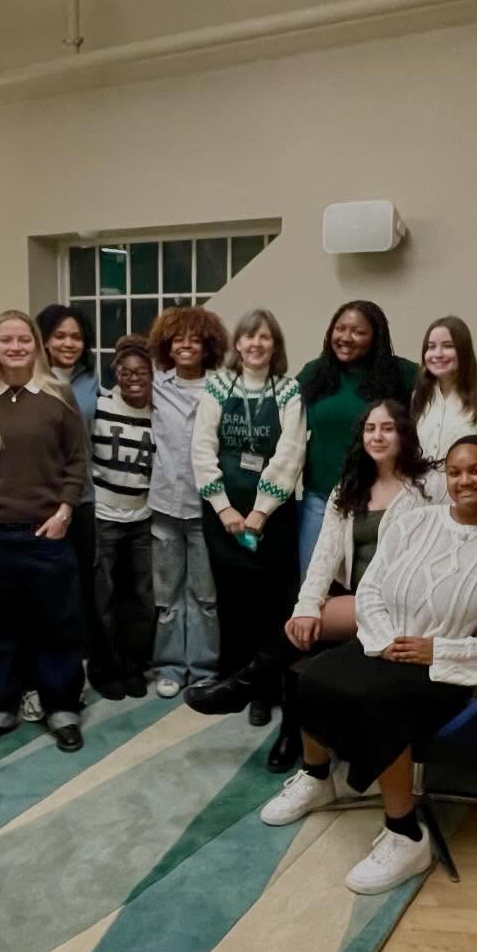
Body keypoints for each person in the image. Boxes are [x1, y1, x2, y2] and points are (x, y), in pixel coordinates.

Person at [257, 435, 477, 895]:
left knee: (381, 702)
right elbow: (372, 587)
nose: (463, 481)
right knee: (309, 673)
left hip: (455, 668)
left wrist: (438, 651)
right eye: (454, 472)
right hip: (389, 646)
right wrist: (383, 642)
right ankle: (319, 778)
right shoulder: (415, 522)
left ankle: (405, 834)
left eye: (476, 470)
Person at [185, 400, 442, 768]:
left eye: (387, 428)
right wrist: (306, 607)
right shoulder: (349, 488)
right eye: (370, 428)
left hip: (403, 601)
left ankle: (243, 686)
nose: (378, 436)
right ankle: (291, 733)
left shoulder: (430, 485)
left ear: (404, 433)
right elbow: (324, 556)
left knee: (311, 624)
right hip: (354, 594)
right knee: (300, 632)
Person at [0, 310, 88, 751]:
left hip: (47, 532)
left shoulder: (58, 395)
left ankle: (62, 705)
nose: (15, 348)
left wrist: (65, 510)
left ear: (36, 345)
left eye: (23, 340)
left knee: (58, 624)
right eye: (5, 341)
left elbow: (75, 461)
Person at [186, 308, 306, 724]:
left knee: (271, 602)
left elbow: (291, 454)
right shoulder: (217, 387)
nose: (256, 344)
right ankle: (229, 680)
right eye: (249, 337)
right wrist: (224, 509)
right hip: (223, 517)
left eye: (265, 337)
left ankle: (263, 687)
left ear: (276, 345)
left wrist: (259, 511)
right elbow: (202, 449)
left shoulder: (289, 392)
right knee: (231, 600)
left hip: (271, 518)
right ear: (237, 344)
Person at [296, 301, 416, 574]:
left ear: (376, 337)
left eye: (358, 332)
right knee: (313, 586)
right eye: (340, 329)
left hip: (378, 501)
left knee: (375, 588)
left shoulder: (403, 375)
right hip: (321, 495)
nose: (345, 338)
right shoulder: (313, 373)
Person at [146, 307, 228, 699]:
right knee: (166, 596)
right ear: (167, 344)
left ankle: (204, 666)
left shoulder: (223, 389)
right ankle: (169, 666)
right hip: (163, 506)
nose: (186, 345)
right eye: (179, 338)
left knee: (205, 596)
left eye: (195, 339)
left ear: (208, 345)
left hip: (206, 509)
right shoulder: (156, 385)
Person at [30, 304, 99, 715]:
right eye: (60, 336)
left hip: (84, 501)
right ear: (44, 340)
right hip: (36, 503)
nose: (69, 343)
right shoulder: (28, 380)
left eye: (76, 337)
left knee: (78, 593)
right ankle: (34, 680)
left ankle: (70, 676)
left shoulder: (93, 382)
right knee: (39, 596)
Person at [89, 335, 156, 699]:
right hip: (103, 517)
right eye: (126, 371)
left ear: (151, 374)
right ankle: (105, 669)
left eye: (141, 372)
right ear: (116, 373)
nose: (133, 378)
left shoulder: (157, 413)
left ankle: (134, 667)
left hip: (141, 519)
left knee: (141, 599)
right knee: (104, 599)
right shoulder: (100, 407)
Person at [410, 315, 477, 459]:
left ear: (464, 351)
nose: (438, 354)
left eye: (448, 346)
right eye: (431, 347)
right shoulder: (420, 395)